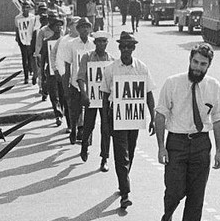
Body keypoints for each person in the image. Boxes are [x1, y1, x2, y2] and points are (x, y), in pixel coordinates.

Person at [154, 43, 220, 221]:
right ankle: (167, 217)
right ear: (190, 60)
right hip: (176, 142)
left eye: (203, 64)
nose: (198, 67)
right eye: (195, 62)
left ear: (208, 66)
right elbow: (160, 115)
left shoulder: (214, 87)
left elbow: (219, 118)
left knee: (196, 196)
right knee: (175, 190)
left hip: (201, 144)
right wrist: (161, 147)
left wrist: (219, 151)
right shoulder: (172, 83)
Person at [100, 32, 155, 210]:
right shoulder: (110, 69)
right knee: (120, 153)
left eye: (128, 46)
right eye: (122, 46)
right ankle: (125, 193)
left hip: (133, 117)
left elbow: (148, 94)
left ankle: (123, 180)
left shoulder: (141, 68)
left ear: (133, 48)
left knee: (129, 152)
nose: (125, 50)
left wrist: (153, 117)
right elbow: (105, 96)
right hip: (116, 116)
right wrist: (105, 123)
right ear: (119, 48)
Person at [78, 31, 113, 172]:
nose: (101, 44)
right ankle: (84, 144)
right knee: (88, 125)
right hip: (92, 98)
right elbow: (81, 77)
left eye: (104, 41)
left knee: (106, 129)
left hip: (105, 100)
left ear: (107, 43)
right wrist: (84, 94)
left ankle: (104, 158)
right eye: (98, 41)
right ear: (95, 43)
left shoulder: (111, 60)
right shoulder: (87, 57)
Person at [58, 17, 95, 145]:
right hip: (75, 82)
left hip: (91, 84)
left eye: (87, 26)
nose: (85, 29)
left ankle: (87, 135)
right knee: (75, 110)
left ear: (90, 28)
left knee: (90, 111)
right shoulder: (71, 44)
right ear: (77, 29)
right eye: (82, 27)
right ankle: (74, 128)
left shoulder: (94, 43)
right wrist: (66, 85)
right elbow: (67, 65)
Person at [14, 1, 38, 84]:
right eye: (23, 8)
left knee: (31, 57)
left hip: (30, 40)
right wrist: (17, 38)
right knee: (24, 58)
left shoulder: (33, 17)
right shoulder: (17, 18)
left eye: (27, 7)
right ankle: (26, 77)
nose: (25, 9)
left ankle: (31, 70)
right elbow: (17, 29)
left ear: (29, 8)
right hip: (22, 40)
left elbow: (35, 30)